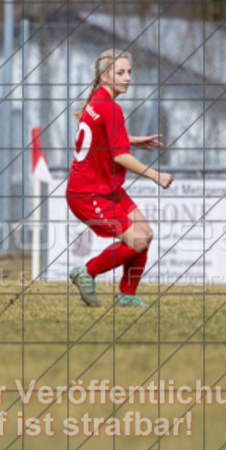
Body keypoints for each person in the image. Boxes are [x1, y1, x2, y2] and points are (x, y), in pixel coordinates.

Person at [66, 49, 173, 308]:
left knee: (145, 234)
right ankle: (87, 272)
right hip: (88, 193)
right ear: (104, 76)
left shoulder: (97, 101)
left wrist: (131, 140)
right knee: (137, 240)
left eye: (129, 72)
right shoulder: (110, 107)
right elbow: (119, 156)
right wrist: (154, 174)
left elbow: (102, 142)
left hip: (107, 188)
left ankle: (127, 295)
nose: (127, 78)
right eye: (120, 73)